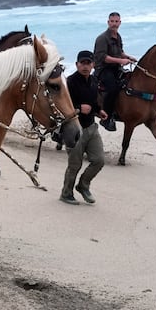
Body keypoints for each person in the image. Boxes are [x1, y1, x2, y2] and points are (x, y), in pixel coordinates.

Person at [59, 50, 108, 205]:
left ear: (93, 65)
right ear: (77, 64)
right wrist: (79, 108)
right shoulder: (70, 82)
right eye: (82, 63)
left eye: (88, 63)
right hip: (74, 129)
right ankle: (66, 193)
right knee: (75, 164)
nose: (85, 66)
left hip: (91, 127)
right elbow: (61, 106)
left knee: (99, 160)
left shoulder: (94, 80)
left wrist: (99, 111)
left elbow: (93, 102)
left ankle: (83, 185)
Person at [93, 11, 137, 131]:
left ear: (120, 22)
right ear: (108, 22)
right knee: (112, 88)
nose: (114, 24)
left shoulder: (118, 36)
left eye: (116, 21)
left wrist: (127, 57)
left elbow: (120, 52)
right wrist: (120, 61)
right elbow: (103, 57)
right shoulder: (102, 38)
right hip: (103, 69)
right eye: (112, 21)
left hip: (115, 68)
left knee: (128, 82)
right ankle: (106, 119)